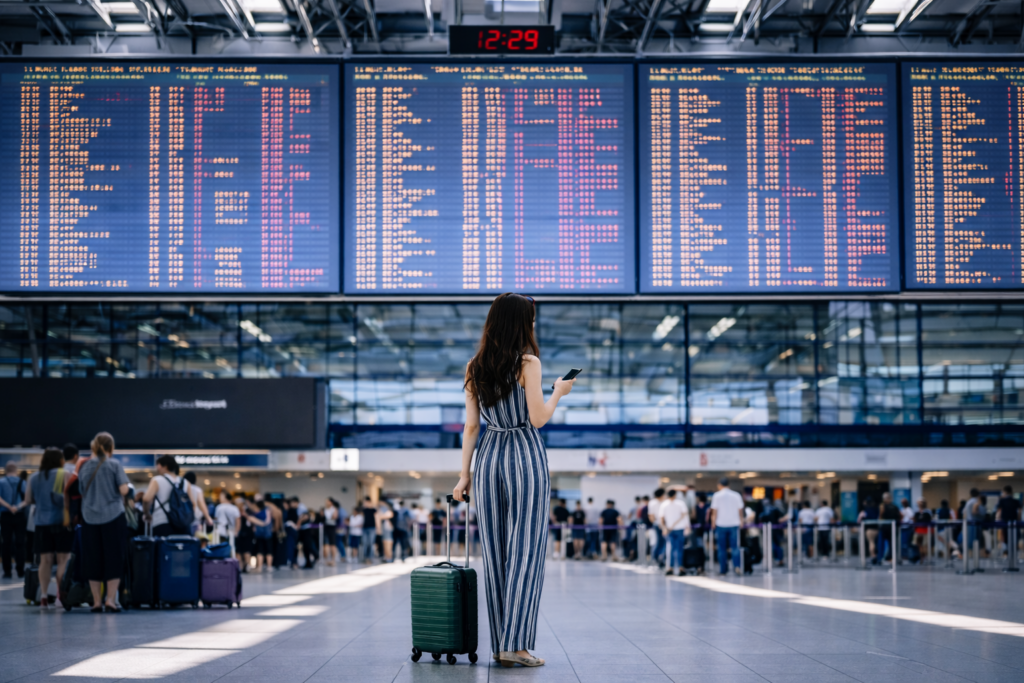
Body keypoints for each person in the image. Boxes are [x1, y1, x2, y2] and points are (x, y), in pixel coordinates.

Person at [453, 292, 575, 668]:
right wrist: (559, 393)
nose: (534, 324)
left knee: (496, 553)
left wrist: (463, 476)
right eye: (531, 318)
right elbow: (537, 418)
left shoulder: (474, 365)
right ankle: (516, 645)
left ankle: (500, 643)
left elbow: (471, 426)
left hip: (488, 459)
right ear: (521, 322)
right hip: (524, 454)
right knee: (527, 549)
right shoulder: (528, 362)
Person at [77, 432, 130, 612]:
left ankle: (97, 601)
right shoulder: (114, 465)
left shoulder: (84, 467)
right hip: (113, 516)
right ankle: (110, 600)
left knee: (93, 559)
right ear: (111, 447)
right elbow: (124, 490)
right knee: (114, 558)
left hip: (89, 518)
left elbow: (81, 490)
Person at [22, 448, 71, 608]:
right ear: (60, 460)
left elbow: (28, 499)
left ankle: (43, 596)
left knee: (45, 560)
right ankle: (59, 594)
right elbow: (68, 498)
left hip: (41, 523)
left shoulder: (34, 477)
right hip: (61, 522)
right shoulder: (64, 474)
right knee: (63, 559)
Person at [142, 455, 193, 537]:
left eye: (158, 465)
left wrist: (147, 514)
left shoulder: (157, 480)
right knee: (182, 549)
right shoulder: (186, 482)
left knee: (162, 549)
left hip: (162, 522)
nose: (157, 468)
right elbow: (192, 504)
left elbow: (146, 499)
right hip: (183, 524)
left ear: (164, 466)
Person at [710, 477, 744, 576]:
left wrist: (713, 522)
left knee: (721, 548)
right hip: (734, 524)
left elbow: (714, 511)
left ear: (720, 485)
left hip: (721, 524)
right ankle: (737, 566)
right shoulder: (736, 495)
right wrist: (741, 521)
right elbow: (740, 510)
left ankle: (723, 570)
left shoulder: (717, 495)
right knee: (735, 547)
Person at [0, 461, 27, 579]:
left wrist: (9, 507)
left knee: (6, 543)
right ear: (16, 470)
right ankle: (20, 570)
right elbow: (27, 499)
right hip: (19, 515)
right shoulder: (23, 482)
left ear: (6, 470)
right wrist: (17, 507)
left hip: (5, 515)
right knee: (20, 543)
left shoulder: (1, 482)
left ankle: (7, 571)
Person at [660, 489, 690, 576]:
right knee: (680, 549)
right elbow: (685, 516)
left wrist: (664, 528)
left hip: (669, 529)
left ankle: (670, 568)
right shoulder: (680, 503)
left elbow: (661, 518)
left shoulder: (664, 504)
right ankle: (681, 568)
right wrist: (687, 527)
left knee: (671, 549)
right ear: (675, 495)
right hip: (680, 528)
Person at [247, 500, 273, 572]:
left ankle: (260, 567)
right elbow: (268, 522)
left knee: (260, 551)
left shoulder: (255, 514)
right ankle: (269, 566)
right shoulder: (267, 511)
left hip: (259, 534)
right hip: (268, 534)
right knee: (269, 551)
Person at [996, 486, 1021, 558]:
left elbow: (999, 511)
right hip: (1014, 521)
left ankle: (1006, 551)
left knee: (1005, 537)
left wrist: (998, 519)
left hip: (1005, 522)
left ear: (1005, 492)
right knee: (1015, 536)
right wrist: (1018, 520)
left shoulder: (1002, 501)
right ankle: (1014, 551)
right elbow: (1019, 511)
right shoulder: (1016, 501)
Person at [878, 493, 901, 564]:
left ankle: (880, 558)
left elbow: (881, 515)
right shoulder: (895, 506)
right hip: (894, 527)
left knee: (881, 543)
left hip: (885, 527)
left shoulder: (882, 506)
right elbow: (900, 515)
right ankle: (893, 558)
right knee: (893, 543)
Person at [648, 488, 666, 565]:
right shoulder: (653, 503)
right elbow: (651, 516)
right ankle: (657, 558)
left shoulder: (662, 502)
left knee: (661, 542)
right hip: (659, 524)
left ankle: (659, 558)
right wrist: (657, 523)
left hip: (661, 524)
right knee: (660, 542)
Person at [360, 497, 378, 563]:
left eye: (366, 502)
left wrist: (378, 528)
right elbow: (361, 517)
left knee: (371, 543)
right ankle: (365, 557)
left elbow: (376, 518)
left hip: (372, 528)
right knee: (365, 543)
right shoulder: (363, 510)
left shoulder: (373, 510)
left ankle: (370, 557)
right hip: (364, 528)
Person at [323, 498, 340, 567]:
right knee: (326, 544)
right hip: (326, 527)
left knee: (332, 544)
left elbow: (334, 517)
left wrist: (330, 517)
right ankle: (327, 559)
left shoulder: (334, 509)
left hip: (332, 527)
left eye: (328, 501)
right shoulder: (325, 509)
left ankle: (333, 559)